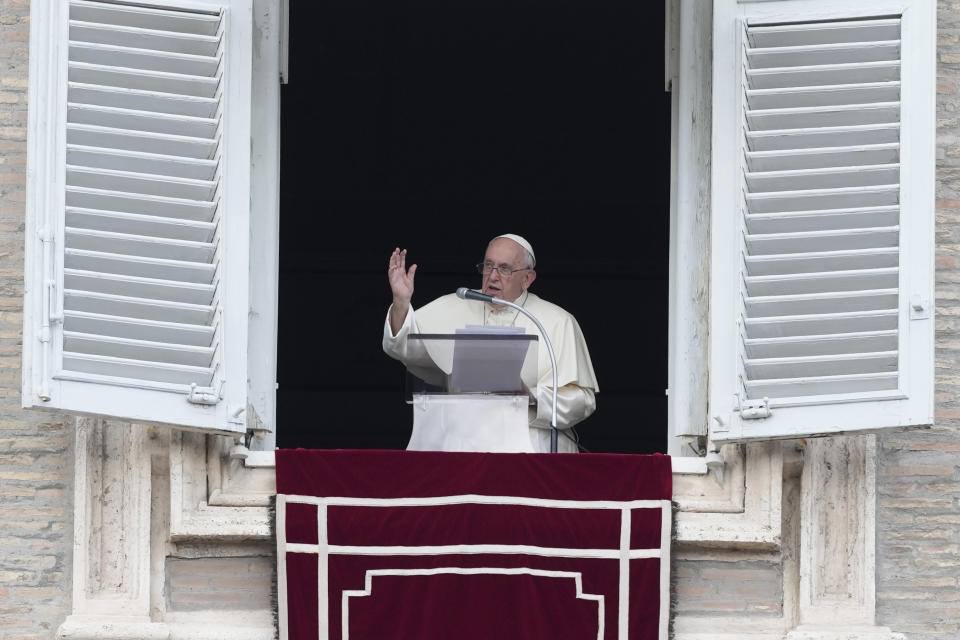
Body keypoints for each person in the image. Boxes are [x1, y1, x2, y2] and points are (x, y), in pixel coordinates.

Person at [383, 233, 598, 453]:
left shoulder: (558, 321)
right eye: (488, 266)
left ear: (527, 279)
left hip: (527, 449)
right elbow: (403, 347)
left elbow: (583, 401)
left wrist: (531, 396)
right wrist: (401, 302)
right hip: (462, 448)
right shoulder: (455, 304)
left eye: (504, 268)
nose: (493, 276)